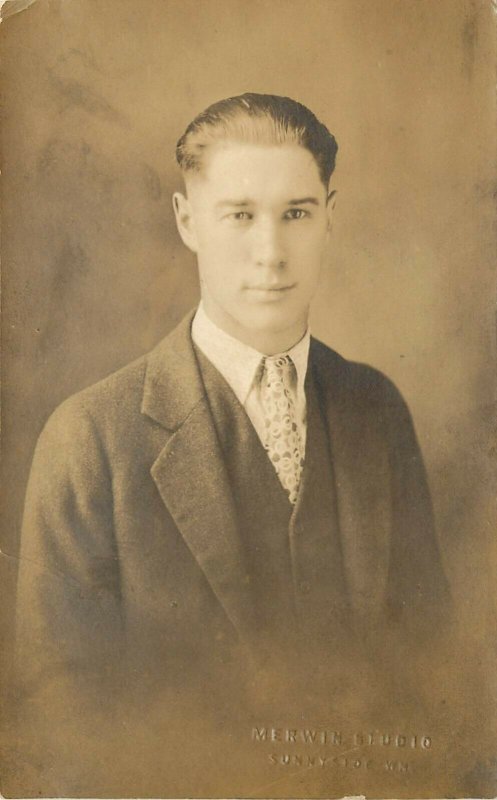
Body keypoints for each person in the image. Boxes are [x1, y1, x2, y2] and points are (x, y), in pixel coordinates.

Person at [14, 94, 452, 795]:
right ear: (188, 221)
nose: (271, 253)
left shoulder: (376, 410)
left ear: (330, 217)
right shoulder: (89, 438)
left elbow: (432, 681)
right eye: (240, 215)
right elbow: (66, 743)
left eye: (296, 214)